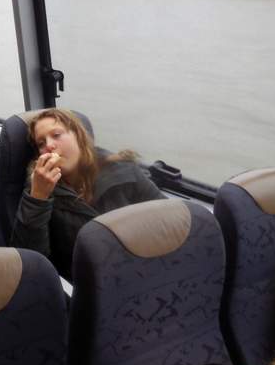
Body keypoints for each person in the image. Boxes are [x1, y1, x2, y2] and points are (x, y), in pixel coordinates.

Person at [10, 108, 164, 280]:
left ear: (78, 135)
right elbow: (31, 264)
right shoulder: (38, 190)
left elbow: (169, 220)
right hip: (85, 285)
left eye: (56, 135)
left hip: (144, 271)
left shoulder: (123, 170)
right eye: (41, 143)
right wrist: (38, 197)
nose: (49, 146)